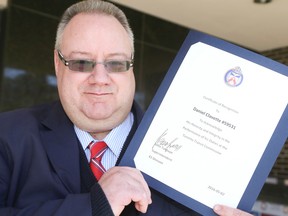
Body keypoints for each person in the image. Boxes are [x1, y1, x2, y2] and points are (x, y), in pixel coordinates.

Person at [0, 0, 254, 215]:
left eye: (116, 63)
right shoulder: (7, 136)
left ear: (131, 66)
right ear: (57, 63)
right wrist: (93, 206)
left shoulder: (197, 156)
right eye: (81, 62)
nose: (100, 78)